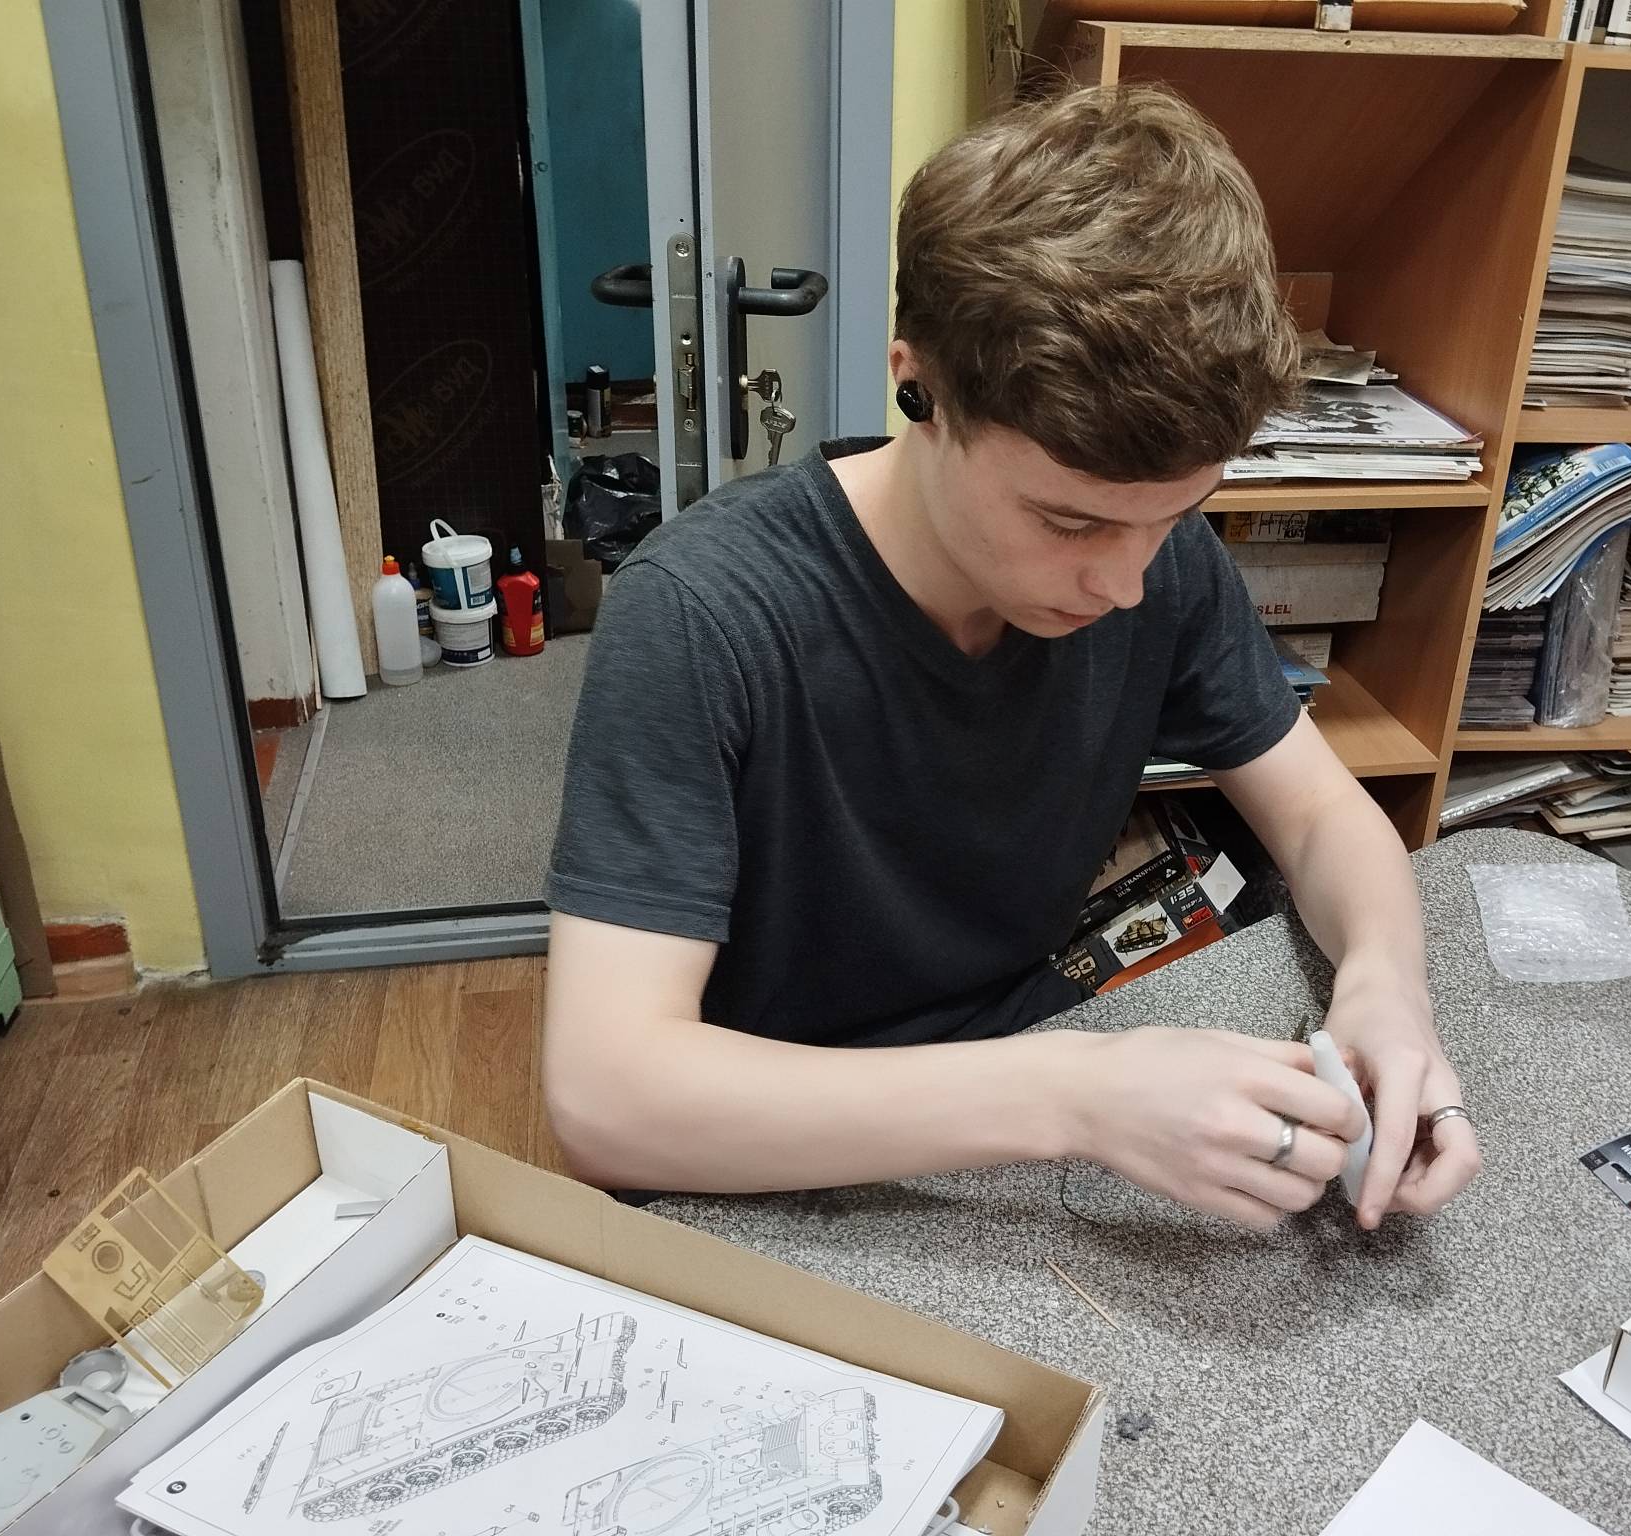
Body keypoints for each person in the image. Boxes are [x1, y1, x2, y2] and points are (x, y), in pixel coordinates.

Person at [542, 83, 1481, 1233]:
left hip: (1024, 1108)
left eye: (1174, 515)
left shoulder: (1160, 562)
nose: (1124, 584)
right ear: (919, 386)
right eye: (1070, 523)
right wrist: (1079, 1096)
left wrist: (1386, 989)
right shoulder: (702, 612)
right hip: (765, 1158)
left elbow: (1324, 815)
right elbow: (607, 1098)